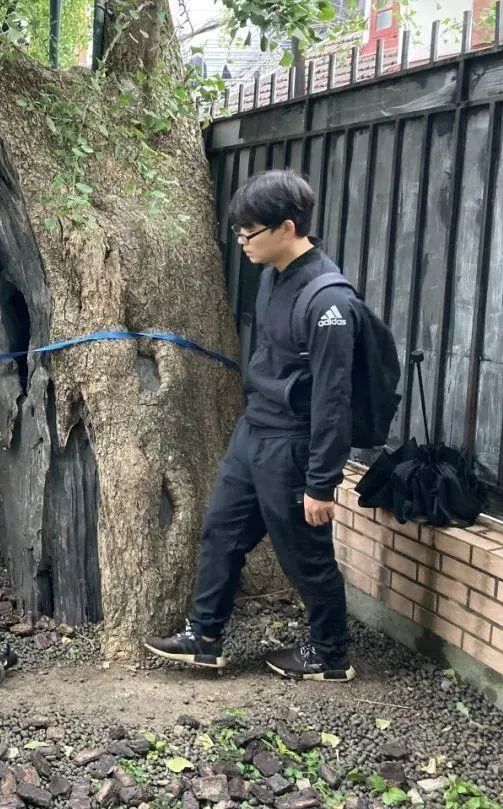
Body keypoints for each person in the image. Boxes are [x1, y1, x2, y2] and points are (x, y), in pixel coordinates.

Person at [145, 170, 358, 682]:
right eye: (238, 232)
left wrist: (320, 481)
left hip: (293, 444)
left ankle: (330, 655)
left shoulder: (329, 301)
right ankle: (205, 636)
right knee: (221, 532)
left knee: (304, 554)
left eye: (249, 233)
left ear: (287, 227)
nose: (242, 242)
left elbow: (334, 399)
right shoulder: (271, 277)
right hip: (254, 431)